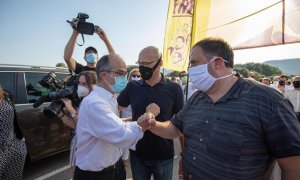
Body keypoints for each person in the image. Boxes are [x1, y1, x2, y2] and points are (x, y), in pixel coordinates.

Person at [138, 38, 300, 179]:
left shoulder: (268, 101)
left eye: (194, 63)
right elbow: (175, 127)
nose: (190, 69)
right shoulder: (197, 98)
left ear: (218, 63)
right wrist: (153, 124)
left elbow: (293, 167)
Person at [74, 54, 146, 180]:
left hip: (114, 167)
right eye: (120, 73)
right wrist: (144, 120)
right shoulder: (94, 103)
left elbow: (115, 124)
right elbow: (121, 134)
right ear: (104, 75)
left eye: (125, 73)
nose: (124, 78)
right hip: (96, 175)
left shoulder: (110, 98)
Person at [117, 46, 184, 180]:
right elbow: (115, 109)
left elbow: (182, 123)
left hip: (164, 155)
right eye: (140, 63)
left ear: (160, 63)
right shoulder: (132, 86)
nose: (142, 67)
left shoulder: (174, 88)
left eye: (146, 63)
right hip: (138, 154)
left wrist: (184, 152)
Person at [58, 71, 97, 175]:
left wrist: (71, 109)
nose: (80, 86)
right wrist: (61, 115)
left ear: (93, 86)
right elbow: (77, 126)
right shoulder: (83, 100)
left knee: (82, 172)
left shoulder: (94, 103)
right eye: (79, 83)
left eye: (84, 84)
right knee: (75, 171)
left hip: (88, 143)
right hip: (78, 140)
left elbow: (84, 125)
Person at [0, 86, 27, 180]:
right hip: (14, 147)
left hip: (9, 150)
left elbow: (4, 137)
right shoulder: (6, 97)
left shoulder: (4, 107)